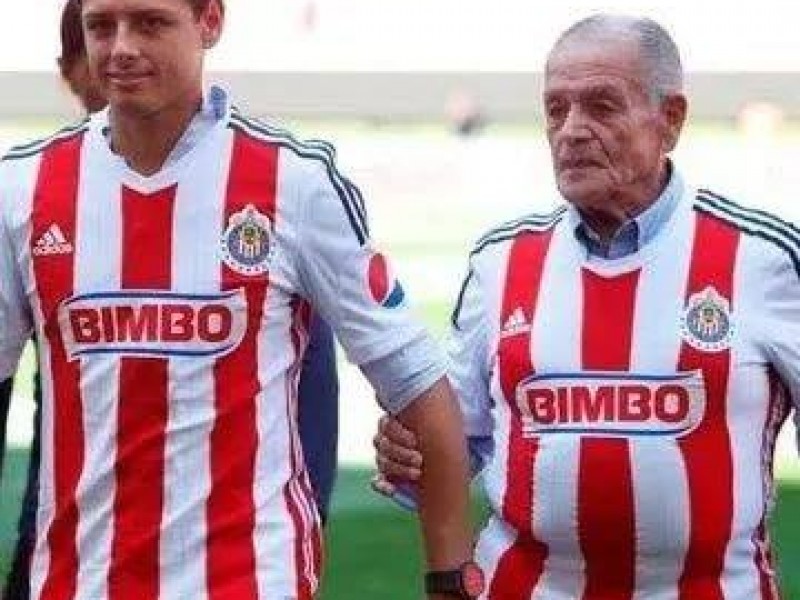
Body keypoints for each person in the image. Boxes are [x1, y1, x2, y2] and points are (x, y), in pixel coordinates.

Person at [0, 1, 475, 599]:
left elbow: (419, 383)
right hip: (78, 584)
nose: (120, 47)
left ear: (210, 22)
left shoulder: (294, 180)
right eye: (101, 26)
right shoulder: (23, 187)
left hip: (248, 582)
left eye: (149, 22)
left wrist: (450, 579)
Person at [373, 13, 799, 599]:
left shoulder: (765, 260)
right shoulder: (500, 263)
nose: (572, 130)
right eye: (556, 109)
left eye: (601, 106)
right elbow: (454, 442)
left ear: (671, 119)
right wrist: (410, 451)